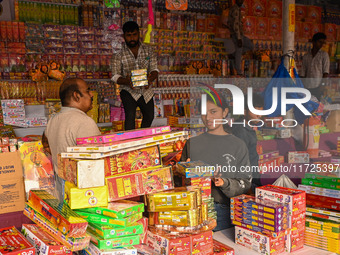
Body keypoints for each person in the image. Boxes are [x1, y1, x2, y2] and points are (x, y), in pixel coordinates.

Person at [181, 94, 252, 231]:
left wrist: (224, 182)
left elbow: (245, 182)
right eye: (204, 113)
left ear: (225, 112)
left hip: (221, 212)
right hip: (192, 209)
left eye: (213, 112)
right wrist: (183, 171)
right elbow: (179, 183)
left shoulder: (238, 145)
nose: (208, 118)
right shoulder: (192, 143)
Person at [44, 78, 101, 201]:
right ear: (76, 96)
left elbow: (46, 144)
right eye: (88, 91)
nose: (91, 95)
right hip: (82, 197)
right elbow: (96, 164)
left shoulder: (53, 120)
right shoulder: (84, 122)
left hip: (61, 194)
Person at [112, 21, 159, 130]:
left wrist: (150, 78)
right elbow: (114, 76)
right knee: (130, 116)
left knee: (149, 116)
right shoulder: (118, 55)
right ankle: (131, 142)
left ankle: (142, 138)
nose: (132, 38)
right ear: (124, 36)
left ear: (138, 34)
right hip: (128, 91)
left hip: (146, 90)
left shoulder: (149, 51)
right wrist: (127, 81)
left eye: (134, 35)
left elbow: (155, 69)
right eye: (129, 35)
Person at [232, 94, 264, 193]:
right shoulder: (240, 130)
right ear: (244, 111)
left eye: (261, 111)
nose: (259, 115)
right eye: (255, 111)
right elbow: (240, 159)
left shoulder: (247, 127)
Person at [226, 0, 254, 75]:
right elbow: (235, 24)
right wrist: (238, 38)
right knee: (239, 51)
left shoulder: (237, 9)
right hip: (237, 34)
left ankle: (233, 55)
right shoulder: (235, 9)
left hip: (239, 34)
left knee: (250, 46)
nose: (241, 2)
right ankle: (238, 71)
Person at [300, 32, 330, 100]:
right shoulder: (306, 56)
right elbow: (303, 72)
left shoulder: (324, 55)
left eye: (323, 42)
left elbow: (325, 72)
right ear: (313, 42)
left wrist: (322, 86)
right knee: (307, 106)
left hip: (318, 87)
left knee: (317, 107)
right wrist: (301, 85)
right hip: (307, 86)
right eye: (320, 42)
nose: (321, 44)